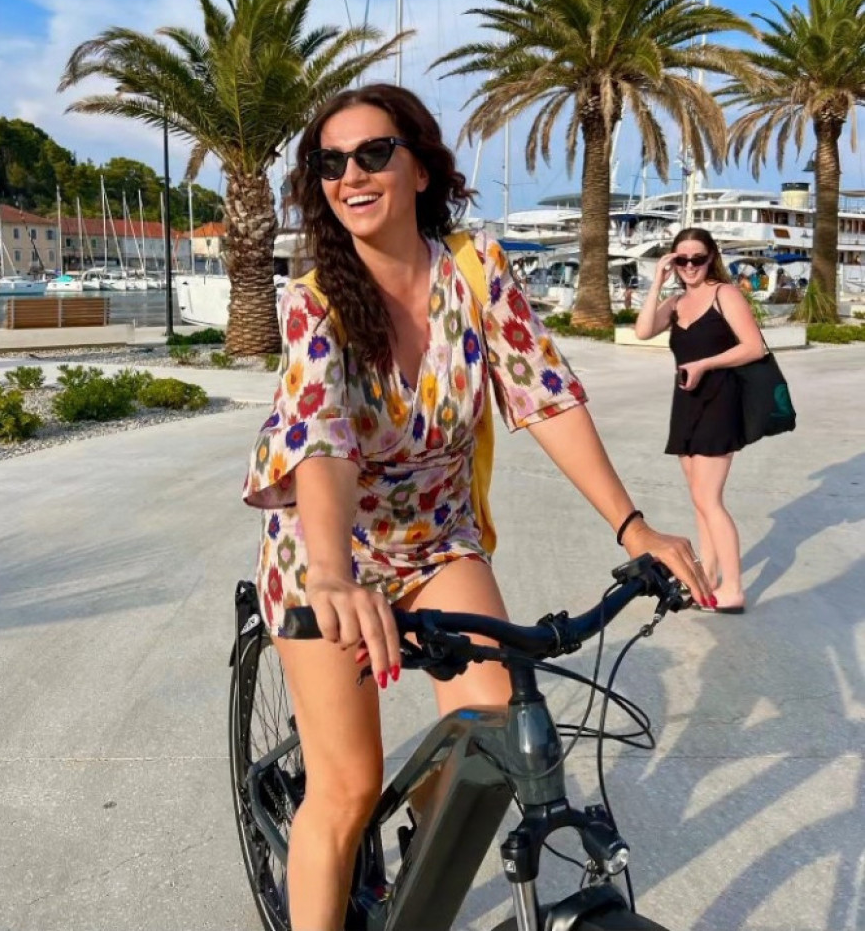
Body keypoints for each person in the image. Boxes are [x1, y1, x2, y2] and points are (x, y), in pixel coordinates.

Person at [243, 84, 713, 931]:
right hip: (327, 549)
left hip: (438, 540)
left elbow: (545, 395)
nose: (351, 175)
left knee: (489, 739)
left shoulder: (474, 268)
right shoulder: (316, 300)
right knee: (346, 788)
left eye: (374, 153)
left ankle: (421, 872)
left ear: (420, 168)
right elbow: (322, 440)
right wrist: (333, 574)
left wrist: (632, 526)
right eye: (330, 163)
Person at [634, 226, 766, 618]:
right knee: (698, 499)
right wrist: (657, 283)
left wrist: (705, 364)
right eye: (682, 259)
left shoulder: (725, 294)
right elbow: (643, 330)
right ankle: (708, 577)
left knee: (709, 499)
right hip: (687, 403)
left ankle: (733, 589)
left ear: (711, 258)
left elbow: (754, 347)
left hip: (720, 401)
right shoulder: (675, 302)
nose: (690, 266)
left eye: (698, 259)